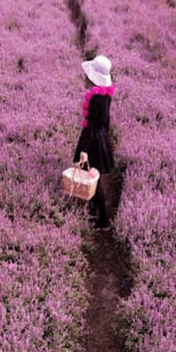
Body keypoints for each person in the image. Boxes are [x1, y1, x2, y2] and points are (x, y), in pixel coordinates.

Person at [74, 55, 116, 231]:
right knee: (93, 176)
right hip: (102, 138)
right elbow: (104, 122)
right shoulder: (105, 95)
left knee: (93, 179)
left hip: (93, 142)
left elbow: (89, 126)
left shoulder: (94, 97)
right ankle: (94, 210)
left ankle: (104, 220)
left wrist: (84, 149)